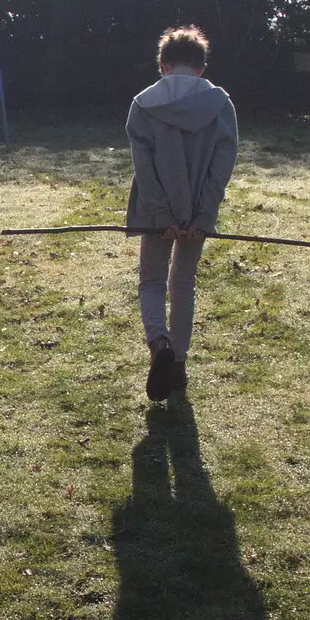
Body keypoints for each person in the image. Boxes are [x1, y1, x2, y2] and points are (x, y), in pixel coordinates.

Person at [125, 26, 238, 402]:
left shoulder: (143, 104)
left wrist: (159, 214)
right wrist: (203, 215)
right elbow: (222, 165)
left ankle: (160, 344)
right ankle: (179, 365)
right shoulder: (221, 105)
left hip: (155, 214)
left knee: (153, 282)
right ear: (201, 68)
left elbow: (144, 166)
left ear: (163, 64)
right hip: (195, 213)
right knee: (183, 284)